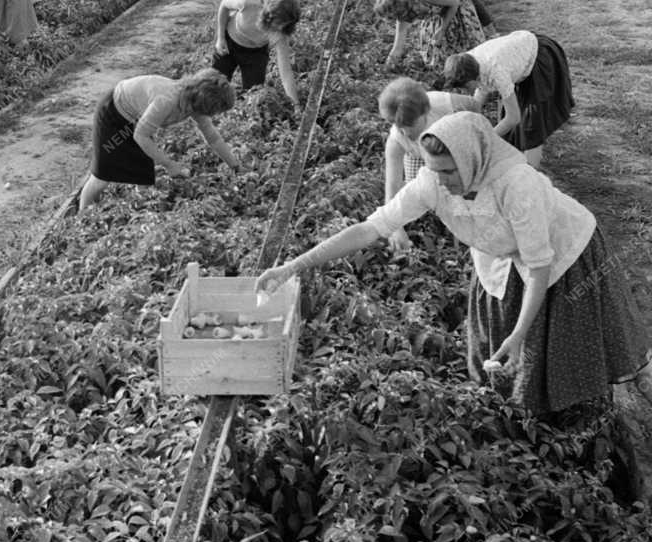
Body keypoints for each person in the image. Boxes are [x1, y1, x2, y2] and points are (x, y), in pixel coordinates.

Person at [257, 112, 652, 417]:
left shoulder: (518, 186)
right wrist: (294, 265)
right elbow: (370, 228)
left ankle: (574, 410)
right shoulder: (432, 182)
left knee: (558, 337)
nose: (441, 180)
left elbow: (538, 269)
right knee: (501, 336)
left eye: (449, 170)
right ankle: (521, 406)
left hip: (562, 253)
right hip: (499, 253)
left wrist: (518, 334)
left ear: (474, 158)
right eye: (434, 169)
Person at [79, 69, 241, 212]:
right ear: (200, 101)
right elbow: (140, 136)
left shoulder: (195, 101)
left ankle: (140, 211)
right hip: (114, 114)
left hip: (136, 120)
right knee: (102, 176)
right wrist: (170, 164)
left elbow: (213, 138)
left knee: (143, 174)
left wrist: (235, 166)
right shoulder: (166, 100)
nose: (207, 115)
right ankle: (81, 219)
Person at [378, 76, 480, 252]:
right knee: (420, 190)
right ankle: (443, 219)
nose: (406, 131)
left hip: (451, 142)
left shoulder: (442, 104)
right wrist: (396, 228)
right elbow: (393, 186)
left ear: (425, 113)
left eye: (411, 124)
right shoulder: (397, 140)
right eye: (399, 125)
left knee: (464, 186)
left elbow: (474, 105)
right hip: (417, 153)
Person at [443, 30, 573, 168]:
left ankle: (529, 173)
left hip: (538, 56)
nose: (465, 91)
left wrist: (486, 139)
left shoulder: (496, 72)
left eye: (465, 86)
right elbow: (478, 98)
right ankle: (514, 161)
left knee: (532, 123)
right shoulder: (467, 61)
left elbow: (513, 117)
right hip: (516, 57)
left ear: (472, 78)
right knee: (508, 125)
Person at [212, 0, 302, 107]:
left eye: (283, 25)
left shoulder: (281, 33)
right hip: (229, 43)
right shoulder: (248, 2)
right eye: (277, 22)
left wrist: (296, 104)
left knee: (253, 95)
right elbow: (224, 5)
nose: (277, 27)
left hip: (255, 55)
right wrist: (220, 38)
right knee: (214, 86)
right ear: (269, 13)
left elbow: (286, 73)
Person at [374, 0, 486, 71]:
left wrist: (442, 29)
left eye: (395, 15)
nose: (397, 19)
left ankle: (478, 63)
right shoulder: (402, 17)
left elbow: (455, 3)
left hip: (457, 6)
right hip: (437, 13)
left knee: (466, 38)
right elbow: (397, 47)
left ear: (402, 6)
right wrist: (386, 69)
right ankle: (456, 68)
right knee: (434, 45)